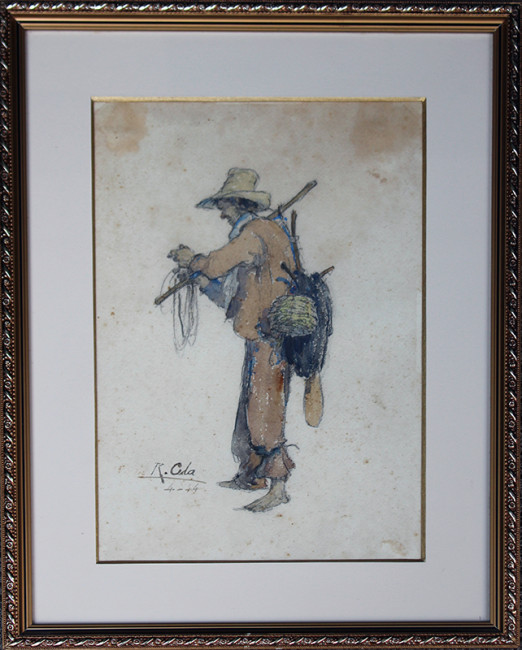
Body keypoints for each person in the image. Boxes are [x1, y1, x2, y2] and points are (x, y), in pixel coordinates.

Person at [171, 168, 297, 512]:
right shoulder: (261, 232)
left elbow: (216, 264)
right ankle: (251, 475)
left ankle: (278, 486)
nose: (222, 213)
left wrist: (191, 260)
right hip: (260, 334)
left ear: (238, 203)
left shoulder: (256, 233)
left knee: (264, 409)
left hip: (270, 337)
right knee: (252, 408)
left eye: (224, 206)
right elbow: (236, 295)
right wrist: (199, 278)